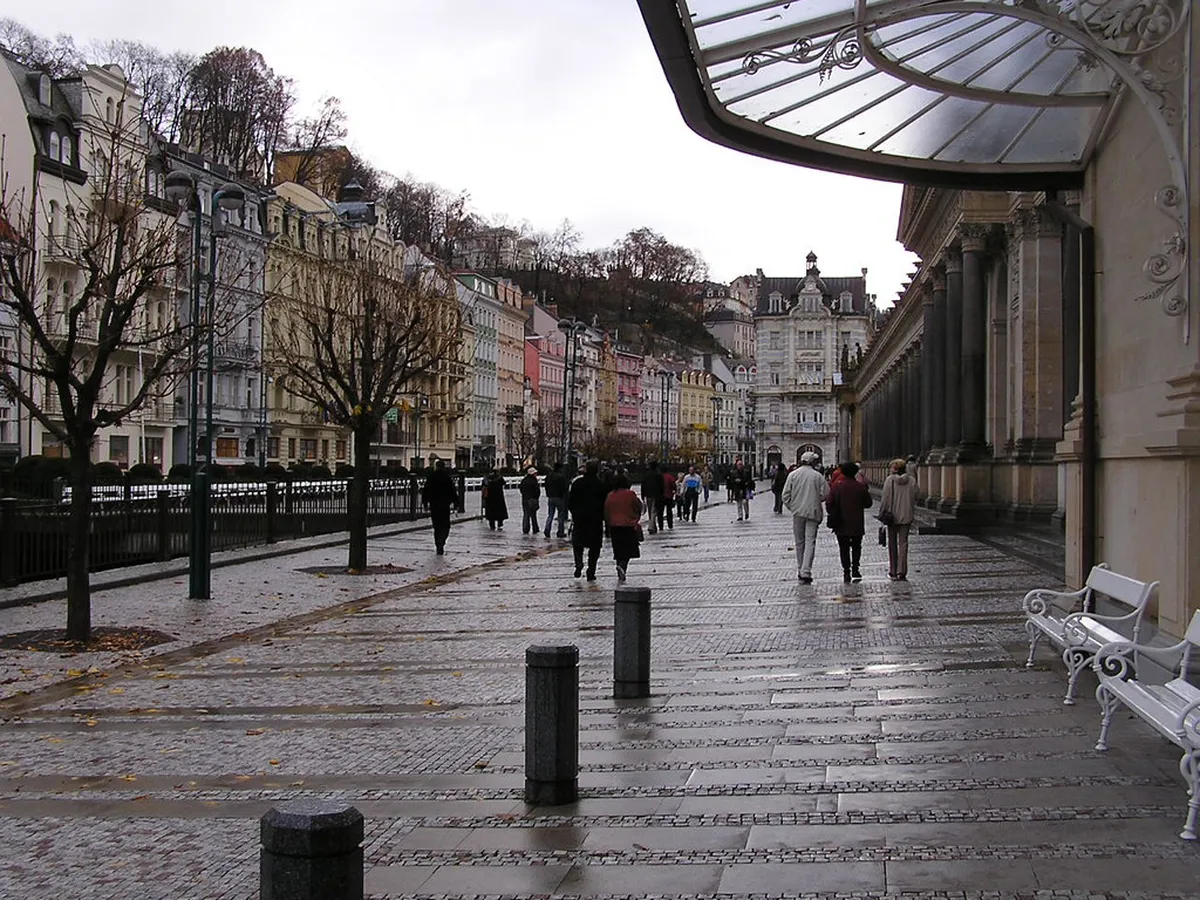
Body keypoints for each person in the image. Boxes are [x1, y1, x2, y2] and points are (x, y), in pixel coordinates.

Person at [782, 452, 828, 583]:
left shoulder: (793, 475)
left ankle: (800, 568)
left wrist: (793, 507)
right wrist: (817, 500)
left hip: (798, 513)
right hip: (813, 512)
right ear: (812, 462)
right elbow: (826, 493)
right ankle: (806, 571)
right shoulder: (818, 476)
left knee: (799, 542)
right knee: (810, 541)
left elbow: (785, 496)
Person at [827, 461, 873, 583]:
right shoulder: (860, 487)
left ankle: (846, 571)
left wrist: (834, 511)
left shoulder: (836, 486)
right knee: (857, 546)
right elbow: (868, 503)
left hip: (841, 522)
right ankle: (856, 569)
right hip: (856, 522)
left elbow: (829, 504)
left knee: (844, 548)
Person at [567, 460, 609, 581]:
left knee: (578, 543)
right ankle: (591, 570)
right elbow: (605, 503)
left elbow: (570, 502)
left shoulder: (577, 483)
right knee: (595, 546)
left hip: (580, 518)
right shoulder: (601, 485)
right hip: (595, 519)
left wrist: (574, 513)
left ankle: (578, 563)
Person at [879, 457, 918, 581]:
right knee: (903, 543)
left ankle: (893, 570)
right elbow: (916, 496)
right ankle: (902, 571)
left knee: (892, 543)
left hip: (892, 516)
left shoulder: (890, 480)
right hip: (906, 514)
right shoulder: (912, 481)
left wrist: (882, 513)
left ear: (895, 469)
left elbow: (885, 499)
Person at [604, 472, 643, 582]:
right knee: (628, 549)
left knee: (618, 548)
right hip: (628, 525)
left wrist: (608, 522)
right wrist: (636, 517)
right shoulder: (630, 494)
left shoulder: (610, 495)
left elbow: (606, 510)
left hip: (614, 526)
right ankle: (622, 567)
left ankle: (619, 566)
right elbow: (638, 506)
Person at [421, 459, 460, 555]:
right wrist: (456, 504)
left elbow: (426, 491)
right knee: (445, 525)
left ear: (436, 467)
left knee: (437, 526)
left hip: (434, 505)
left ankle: (438, 544)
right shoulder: (447, 478)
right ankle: (441, 542)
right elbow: (453, 491)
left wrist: (425, 503)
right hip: (444, 505)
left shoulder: (431, 477)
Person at [543, 462, 569, 538]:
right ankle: (560, 531)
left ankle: (547, 529)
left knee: (550, 514)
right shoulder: (561, 477)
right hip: (559, 497)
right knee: (561, 515)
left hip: (550, 497)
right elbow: (564, 488)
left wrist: (548, 493)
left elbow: (546, 485)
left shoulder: (549, 476)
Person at [641, 460, 664, 534]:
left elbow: (643, 484)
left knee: (650, 510)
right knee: (654, 511)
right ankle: (651, 526)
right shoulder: (658, 475)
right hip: (656, 494)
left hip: (648, 494)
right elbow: (662, 486)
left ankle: (653, 526)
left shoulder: (646, 474)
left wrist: (642, 494)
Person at [518, 467, 541, 535]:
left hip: (525, 499)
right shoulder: (533, 481)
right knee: (533, 515)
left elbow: (521, 489)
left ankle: (525, 528)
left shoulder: (524, 480)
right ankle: (535, 528)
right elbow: (537, 491)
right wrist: (536, 497)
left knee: (526, 514)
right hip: (532, 499)